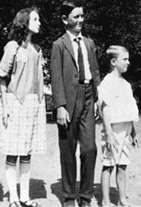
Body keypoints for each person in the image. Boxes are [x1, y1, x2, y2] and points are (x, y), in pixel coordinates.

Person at [50, 0, 100, 206]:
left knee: (89, 149)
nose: (81, 20)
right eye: (76, 16)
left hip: (88, 95)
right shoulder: (59, 45)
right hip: (69, 100)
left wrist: (97, 98)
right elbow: (55, 77)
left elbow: (95, 71)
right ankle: (70, 197)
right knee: (68, 149)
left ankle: (86, 197)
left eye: (82, 16)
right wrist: (60, 105)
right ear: (65, 20)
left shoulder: (88, 43)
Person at [0, 7, 46, 207]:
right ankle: (13, 198)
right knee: (13, 151)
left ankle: (25, 196)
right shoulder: (12, 47)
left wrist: (40, 102)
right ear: (24, 22)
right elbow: (2, 77)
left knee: (26, 151)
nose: (39, 22)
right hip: (14, 102)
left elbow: (39, 80)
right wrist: (6, 104)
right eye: (35, 19)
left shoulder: (38, 49)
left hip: (33, 103)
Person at [98, 45, 139, 207]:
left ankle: (122, 198)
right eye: (125, 59)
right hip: (112, 130)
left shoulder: (126, 85)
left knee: (122, 165)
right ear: (114, 62)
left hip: (126, 130)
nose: (128, 62)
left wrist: (133, 132)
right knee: (108, 165)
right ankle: (106, 200)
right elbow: (105, 109)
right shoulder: (107, 83)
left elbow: (129, 110)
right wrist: (108, 133)